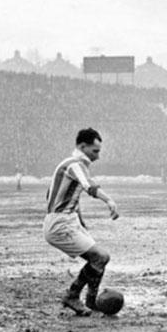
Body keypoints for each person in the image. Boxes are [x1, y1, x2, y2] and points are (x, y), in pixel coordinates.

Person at [44, 128, 119, 316]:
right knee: (100, 257)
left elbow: (64, 195)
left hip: (68, 220)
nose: (98, 156)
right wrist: (109, 200)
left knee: (101, 258)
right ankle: (72, 295)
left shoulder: (73, 165)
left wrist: (80, 219)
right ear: (82, 146)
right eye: (95, 151)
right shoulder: (74, 164)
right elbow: (89, 187)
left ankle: (91, 301)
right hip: (60, 224)